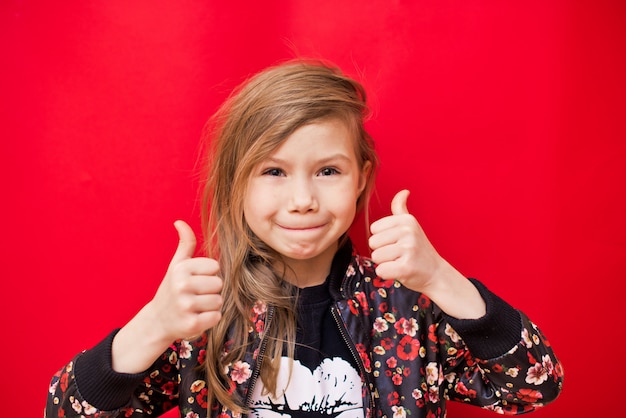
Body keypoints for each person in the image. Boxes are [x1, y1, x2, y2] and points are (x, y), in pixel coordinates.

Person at [46, 59, 563, 418]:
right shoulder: (201, 315)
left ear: (361, 178)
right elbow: (67, 409)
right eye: (273, 171)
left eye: (327, 171)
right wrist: (154, 326)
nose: (302, 200)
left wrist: (440, 278)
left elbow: (533, 388)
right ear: (235, 183)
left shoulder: (409, 307)